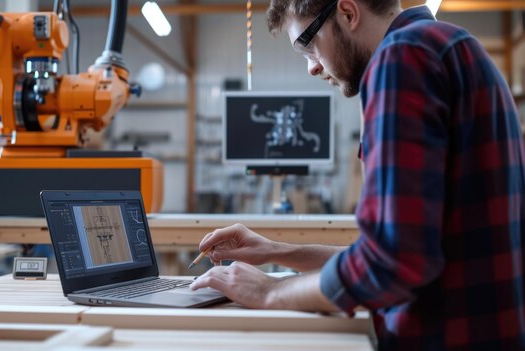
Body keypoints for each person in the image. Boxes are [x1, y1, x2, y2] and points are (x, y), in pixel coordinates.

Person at [190, 0, 525, 349]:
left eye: (308, 45)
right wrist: (277, 250)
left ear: (348, 13)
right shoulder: (454, 45)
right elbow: (398, 250)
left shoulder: (401, 57)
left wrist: (271, 291)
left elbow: (391, 267)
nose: (312, 68)